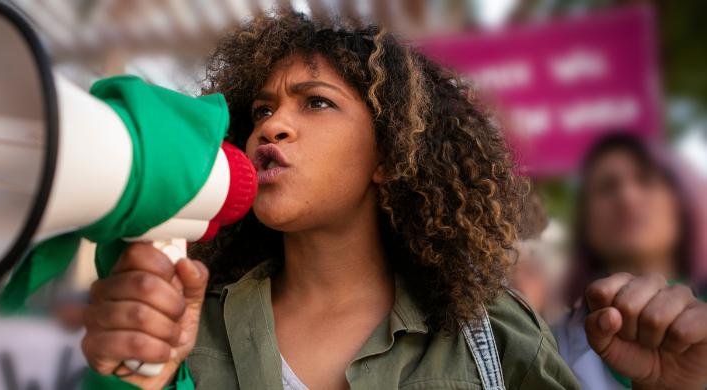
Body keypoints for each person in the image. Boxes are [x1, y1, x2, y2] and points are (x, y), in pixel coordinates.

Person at [80, 11, 707, 390]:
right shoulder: (189, 324)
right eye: (263, 110)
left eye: (316, 102)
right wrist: (134, 377)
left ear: (390, 156)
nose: (272, 127)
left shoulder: (491, 334)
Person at [552, 133, 707, 389]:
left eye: (647, 180)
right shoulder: (545, 344)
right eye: (606, 187)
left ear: (682, 208)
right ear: (586, 224)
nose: (627, 196)